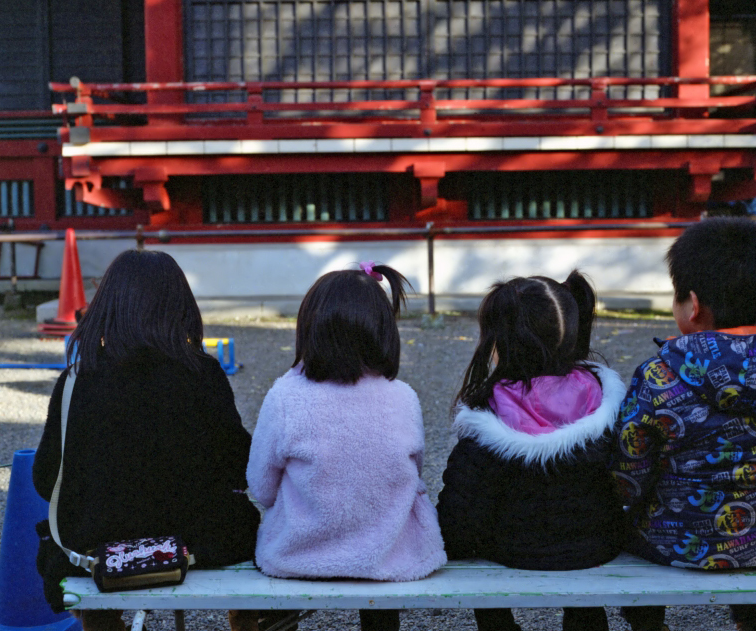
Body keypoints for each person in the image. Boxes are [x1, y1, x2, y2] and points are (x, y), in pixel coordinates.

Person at [612, 218, 756, 631]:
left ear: (694, 304)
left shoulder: (658, 376)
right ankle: (752, 623)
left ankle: (648, 624)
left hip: (670, 540)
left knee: (627, 530)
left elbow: (628, 473)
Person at [33, 250, 260, 631]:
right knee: (248, 525)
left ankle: (100, 621)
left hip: (100, 544)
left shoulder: (77, 379)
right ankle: (247, 619)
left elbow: (45, 479)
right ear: (180, 306)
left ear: (108, 307)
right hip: (194, 541)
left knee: (67, 534)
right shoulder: (200, 373)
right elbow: (240, 469)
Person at [247, 262, 446, 631]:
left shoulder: (285, 397)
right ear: (384, 330)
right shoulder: (403, 398)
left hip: (299, 553)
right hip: (391, 553)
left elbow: (261, 487)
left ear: (309, 328)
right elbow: (410, 473)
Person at [437, 271, 628, 631]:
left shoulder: (487, 420)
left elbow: (460, 514)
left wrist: (453, 543)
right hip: (596, 548)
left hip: (511, 550)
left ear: (498, 343)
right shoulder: (607, 406)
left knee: (479, 568)